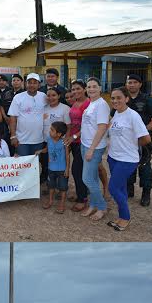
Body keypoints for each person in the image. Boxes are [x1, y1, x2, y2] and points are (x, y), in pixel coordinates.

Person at [106, 86, 152, 231]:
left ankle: (125, 217)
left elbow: (146, 138)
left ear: (126, 99)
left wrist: (132, 144)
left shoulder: (133, 115)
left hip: (127, 159)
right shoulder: (116, 114)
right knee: (120, 187)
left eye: (119, 97)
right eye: (113, 98)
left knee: (113, 188)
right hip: (113, 157)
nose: (115, 100)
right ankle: (121, 216)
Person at [123, 74, 152, 207]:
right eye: (129, 82)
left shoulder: (147, 100)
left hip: (143, 140)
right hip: (127, 139)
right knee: (128, 163)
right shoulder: (123, 98)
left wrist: (143, 130)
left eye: (134, 82)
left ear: (140, 84)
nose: (131, 85)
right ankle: (129, 189)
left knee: (144, 166)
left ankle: (146, 193)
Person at [80, 77, 110, 222]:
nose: (91, 89)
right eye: (89, 86)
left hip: (94, 147)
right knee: (92, 178)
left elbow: (102, 127)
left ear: (100, 88)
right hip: (85, 144)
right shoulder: (91, 103)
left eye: (94, 86)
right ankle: (93, 204)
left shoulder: (102, 105)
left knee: (87, 178)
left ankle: (102, 207)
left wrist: (91, 149)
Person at [65, 80, 91, 212]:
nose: (75, 91)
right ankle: (81, 194)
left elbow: (88, 125)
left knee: (77, 169)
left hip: (84, 141)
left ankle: (83, 199)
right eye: (73, 89)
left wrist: (75, 136)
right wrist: (69, 137)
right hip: (74, 141)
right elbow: (71, 123)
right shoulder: (75, 102)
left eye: (78, 89)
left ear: (85, 89)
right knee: (79, 169)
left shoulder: (89, 104)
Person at [8, 73, 46, 157]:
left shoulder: (44, 97)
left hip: (39, 139)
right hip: (22, 140)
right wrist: (13, 136)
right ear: (25, 84)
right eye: (29, 82)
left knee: (35, 165)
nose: (32, 85)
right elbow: (13, 118)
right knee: (23, 166)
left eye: (34, 83)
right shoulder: (18, 97)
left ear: (39, 84)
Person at [38, 122, 71, 213]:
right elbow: (47, 149)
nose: (50, 131)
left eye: (52, 130)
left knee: (63, 187)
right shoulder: (49, 139)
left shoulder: (64, 142)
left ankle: (62, 204)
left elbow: (67, 156)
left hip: (61, 169)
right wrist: (40, 151)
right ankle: (50, 201)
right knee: (51, 186)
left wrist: (67, 169)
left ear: (59, 134)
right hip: (51, 168)